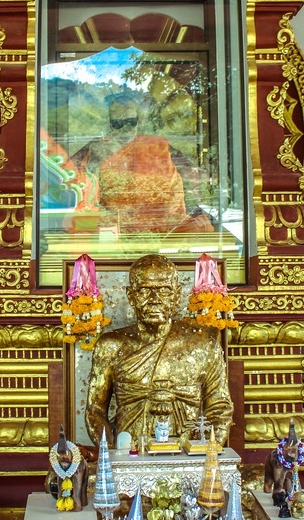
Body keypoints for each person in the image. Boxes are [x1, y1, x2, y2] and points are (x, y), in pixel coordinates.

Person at [85, 254, 233, 447]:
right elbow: (95, 410)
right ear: (131, 296)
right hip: (130, 453)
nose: (154, 299)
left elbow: (219, 407)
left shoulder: (203, 343)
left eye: (164, 290)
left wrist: (206, 455)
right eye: (145, 291)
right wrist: (112, 454)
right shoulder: (111, 345)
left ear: (177, 295)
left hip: (188, 454)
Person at [69, 95, 212, 234]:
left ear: (138, 121)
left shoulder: (155, 146)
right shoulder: (97, 149)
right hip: (113, 221)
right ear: (110, 124)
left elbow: (182, 185)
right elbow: (78, 184)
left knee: (203, 230)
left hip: (156, 218)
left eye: (131, 122)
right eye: (118, 124)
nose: (126, 129)